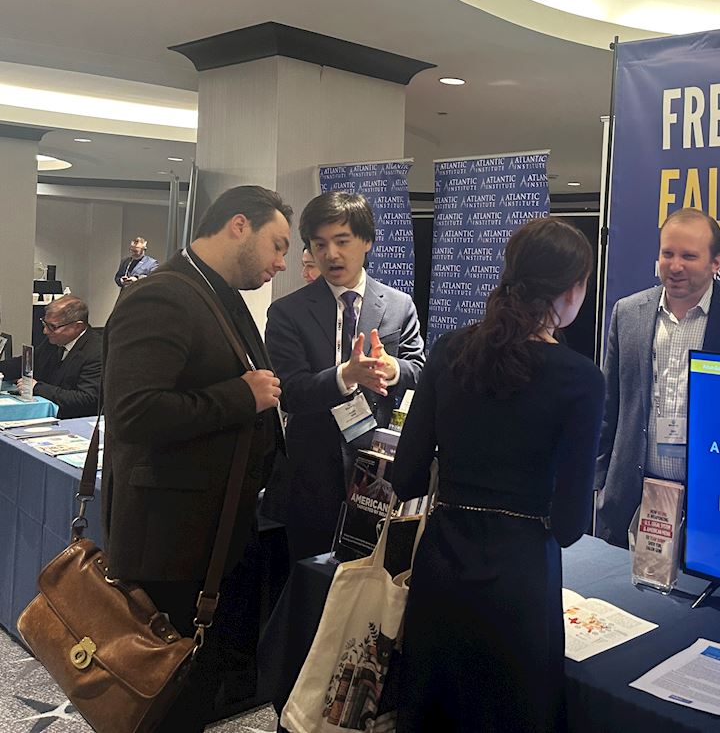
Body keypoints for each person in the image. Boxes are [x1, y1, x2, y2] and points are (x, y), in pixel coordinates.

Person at [385, 217, 604, 731]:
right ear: (572, 290)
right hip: (520, 584)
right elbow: (570, 526)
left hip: (440, 570)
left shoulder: (448, 350)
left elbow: (406, 477)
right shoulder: (580, 380)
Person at [100, 185, 291, 730]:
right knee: (164, 698)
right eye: (277, 245)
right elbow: (133, 411)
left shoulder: (217, 293)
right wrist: (241, 397)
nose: (282, 262)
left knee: (197, 692)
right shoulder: (162, 296)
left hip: (213, 535)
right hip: (170, 546)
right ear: (239, 225)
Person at [594, 208, 720, 546]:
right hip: (632, 499)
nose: (675, 266)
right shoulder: (628, 313)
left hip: (715, 505)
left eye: (689, 256)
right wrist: (598, 484)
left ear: (716, 262)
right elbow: (609, 407)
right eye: (667, 254)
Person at [265, 191, 425, 561]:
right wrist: (345, 375)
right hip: (311, 473)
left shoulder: (398, 306)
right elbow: (291, 392)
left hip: (378, 473)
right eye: (319, 244)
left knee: (371, 580)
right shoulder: (287, 312)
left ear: (367, 241)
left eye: (342, 241)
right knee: (311, 580)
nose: (331, 254)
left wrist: (393, 368)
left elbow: (419, 371)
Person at [0, 295, 101, 418]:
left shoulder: (96, 352)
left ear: (77, 326)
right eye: (45, 324)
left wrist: (37, 387)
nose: (45, 331)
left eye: (52, 327)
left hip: (72, 419)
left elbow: (87, 399)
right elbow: (27, 363)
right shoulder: (54, 340)